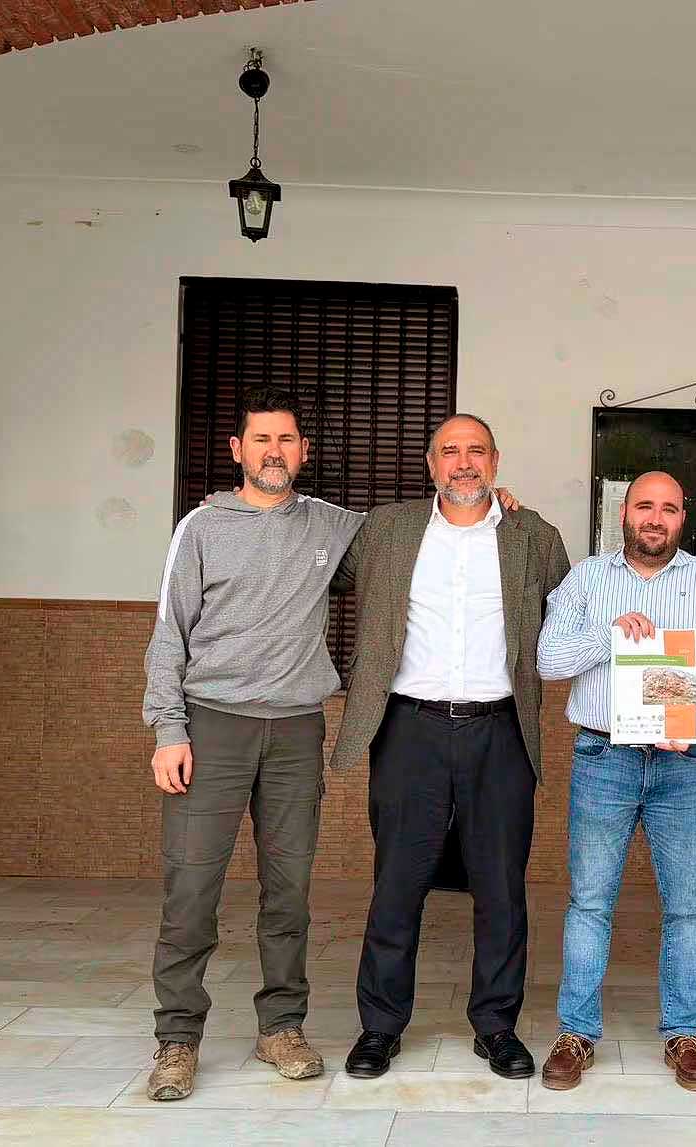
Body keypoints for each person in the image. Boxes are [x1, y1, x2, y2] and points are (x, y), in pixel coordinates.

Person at [330, 413, 570, 1081]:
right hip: (408, 728)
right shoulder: (386, 528)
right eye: (450, 452)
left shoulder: (534, 535)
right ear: (430, 464)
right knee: (397, 883)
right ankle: (380, 1026)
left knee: (501, 887)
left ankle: (496, 1026)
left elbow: (575, 607)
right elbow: (316, 562)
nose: (464, 463)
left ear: (495, 460)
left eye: (476, 451)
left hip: (502, 730)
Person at [142, 386, 363, 1101]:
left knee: (288, 892)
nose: (275, 451)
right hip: (211, 725)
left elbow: (417, 537)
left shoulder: (332, 525)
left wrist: (495, 505)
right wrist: (168, 729)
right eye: (261, 439)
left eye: (287, 439)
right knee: (191, 889)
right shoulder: (202, 527)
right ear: (238, 449)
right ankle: (178, 1038)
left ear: (305, 451)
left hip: (297, 729)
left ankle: (281, 1027)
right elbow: (169, 634)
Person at [535, 472, 696, 1092]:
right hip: (602, 757)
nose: (655, 518)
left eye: (668, 508)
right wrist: (609, 635)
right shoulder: (587, 579)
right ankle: (576, 1032)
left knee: (687, 907)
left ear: (684, 517)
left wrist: (695, 724)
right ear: (623, 513)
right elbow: (548, 660)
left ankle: (683, 1032)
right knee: (589, 902)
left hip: (684, 764)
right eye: (644, 506)